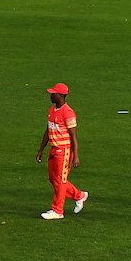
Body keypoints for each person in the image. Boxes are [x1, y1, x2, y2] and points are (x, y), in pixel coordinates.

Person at [37, 83, 88, 220]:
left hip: (64, 151)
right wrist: (41, 150)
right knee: (53, 179)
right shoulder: (52, 110)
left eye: (53, 93)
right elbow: (48, 131)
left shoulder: (68, 113)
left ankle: (58, 210)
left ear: (60, 95)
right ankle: (79, 195)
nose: (50, 95)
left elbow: (73, 136)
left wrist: (76, 156)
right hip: (54, 149)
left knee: (60, 180)